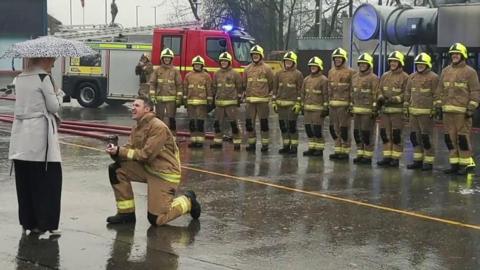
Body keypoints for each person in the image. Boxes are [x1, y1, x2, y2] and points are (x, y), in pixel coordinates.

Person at [105, 97, 201, 225]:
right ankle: (126, 214)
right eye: (132, 105)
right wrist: (115, 152)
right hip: (148, 168)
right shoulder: (138, 127)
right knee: (116, 169)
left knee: (156, 220)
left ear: (147, 109)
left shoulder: (158, 127)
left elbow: (146, 155)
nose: (132, 108)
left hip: (164, 174)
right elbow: (128, 151)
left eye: (137, 106)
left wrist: (120, 151)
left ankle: (188, 201)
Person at [9, 57, 64, 235]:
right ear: (45, 59)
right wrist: (59, 94)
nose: (54, 64)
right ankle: (46, 223)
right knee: (48, 182)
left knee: (25, 182)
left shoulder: (20, 78)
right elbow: (53, 106)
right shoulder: (43, 78)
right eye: (52, 60)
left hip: (20, 135)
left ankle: (28, 222)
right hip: (39, 136)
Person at [435, 43, 480, 175]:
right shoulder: (445, 71)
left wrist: (471, 108)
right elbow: (439, 90)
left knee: (462, 139)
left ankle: (465, 165)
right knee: (450, 139)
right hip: (447, 112)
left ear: (463, 55)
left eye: (457, 54)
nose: (454, 56)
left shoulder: (470, 72)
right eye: (453, 54)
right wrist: (438, 106)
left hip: (462, 113)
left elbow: (475, 92)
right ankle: (454, 164)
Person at [404, 53, 439, 171]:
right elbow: (408, 93)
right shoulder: (412, 77)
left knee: (426, 138)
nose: (420, 66)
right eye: (418, 64)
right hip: (413, 113)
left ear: (427, 64)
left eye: (422, 64)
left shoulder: (433, 77)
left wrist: (435, 108)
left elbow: (437, 95)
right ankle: (417, 160)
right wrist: (406, 107)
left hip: (426, 114)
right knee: (415, 137)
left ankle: (428, 162)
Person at [376, 51, 409, 167]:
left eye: (395, 61)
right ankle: (387, 156)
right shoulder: (385, 76)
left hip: (397, 112)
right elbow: (379, 89)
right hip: (385, 111)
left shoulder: (405, 77)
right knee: (385, 134)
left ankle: (395, 158)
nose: (393, 63)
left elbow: (406, 93)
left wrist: (396, 99)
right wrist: (380, 97)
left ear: (400, 63)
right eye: (391, 61)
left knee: (396, 135)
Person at [243, 45, 274, 152]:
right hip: (250, 102)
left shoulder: (267, 69)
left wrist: (265, 93)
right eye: (253, 55)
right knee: (249, 124)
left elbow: (271, 84)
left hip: (263, 101)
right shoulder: (247, 69)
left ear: (261, 55)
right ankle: (251, 144)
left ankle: (265, 144)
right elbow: (244, 83)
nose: (255, 56)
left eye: (257, 55)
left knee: (264, 123)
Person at [272, 51, 304, 154]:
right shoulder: (278, 74)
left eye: (290, 62)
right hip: (281, 105)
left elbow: (301, 90)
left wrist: (298, 104)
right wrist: (274, 102)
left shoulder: (298, 74)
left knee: (292, 126)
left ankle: (294, 146)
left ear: (294, 63)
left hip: (292, 105)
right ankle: (286, 145)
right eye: (286, 62)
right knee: (283, 126)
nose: (288, 63)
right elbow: (275, 89)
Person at [210, 52, 243, 150]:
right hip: (219, 103)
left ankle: (237, 143)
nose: (224, 63)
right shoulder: (216, 73)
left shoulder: (235, 74)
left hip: (231, 104)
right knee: (217, 124)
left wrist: (238, 98)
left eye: (226, 61)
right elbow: (214, 87)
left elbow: (239, 87)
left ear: (229, 62)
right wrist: (213, 99)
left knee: (234, 124)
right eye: (222, 61)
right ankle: (217, 142)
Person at [351, 53, 379, 165]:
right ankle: (360, 153)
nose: (362, 65)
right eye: (361, 64)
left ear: (369, 65)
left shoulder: (374, 78)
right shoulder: (354, 77)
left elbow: (376, 94)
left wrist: (374, 109)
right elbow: (352, 93)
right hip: (356, 110)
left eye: (364, 64)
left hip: (368, 111)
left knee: (367, 133)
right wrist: (350, 106)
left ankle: (367, 156)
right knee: (357, 133)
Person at [328, 48, 355, 160]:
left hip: (344, 106)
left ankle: (345, 151)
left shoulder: (351, 72)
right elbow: (329, 89)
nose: (337, 60)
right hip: (333, 105)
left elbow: (353, 90)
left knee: (344, 129)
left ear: (344, 59)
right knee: (335, 129)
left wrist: (351, 104)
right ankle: (338, 150)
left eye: (339, 58)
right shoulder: (331, 72)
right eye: (336, 58)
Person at [148, 48, 182, 132]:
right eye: (165, 58)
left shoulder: (175, 71)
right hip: (159, 99)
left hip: (171, 100)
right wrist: (152, 95)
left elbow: (179, 85)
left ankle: (172, 137)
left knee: (171, 119)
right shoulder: (157, 70)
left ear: (171, 59)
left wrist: (179, 98)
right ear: (162, 59)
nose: (167, 59)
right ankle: (159, 136)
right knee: (159, 119)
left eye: (168, 58)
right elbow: (152, 83)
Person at [301, 56, 329, 157]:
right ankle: (311, 148)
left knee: (317, 130)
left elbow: (326, 95)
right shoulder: (306, 79)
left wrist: (326, 108)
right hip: (308, 109)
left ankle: (319, 149)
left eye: (315, 66)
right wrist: (302, 106)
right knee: (308, 129)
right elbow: (302, 93)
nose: (313, 67)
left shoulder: (324, 80)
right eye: (311, 66)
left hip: (318, 110)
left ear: (319, 67)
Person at [183, 56, 213, 148]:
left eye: (199, 65)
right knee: (192, 123)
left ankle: (200, 141)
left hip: (202, 103)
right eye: (196, 64)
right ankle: (193, 141)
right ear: (193, 65)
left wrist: (210, 100)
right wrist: (184, 100)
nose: (197, 66)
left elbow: (209, 89)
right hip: (191, 103)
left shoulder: (206, 76)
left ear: (202, 66)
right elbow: (185, 88)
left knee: (200, 123)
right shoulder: (188, 76)